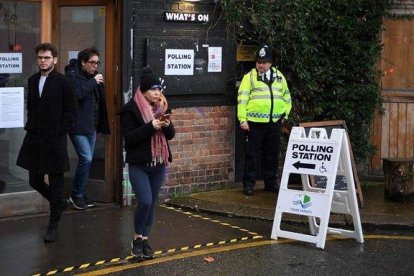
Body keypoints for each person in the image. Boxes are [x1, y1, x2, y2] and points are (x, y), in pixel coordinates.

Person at [16, 43, 77, 242]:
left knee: (57, 183)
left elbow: (71, 111)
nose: (43, 60)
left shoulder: (64, 82)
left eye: (47, 57)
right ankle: (59, 203)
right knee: (34, 180)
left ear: (55, 60)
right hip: (35, 138)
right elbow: (31, 107)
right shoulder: (32, 80)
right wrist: (31, 123)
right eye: (40, 57)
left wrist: (61, 129)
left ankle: (53, 226)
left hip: (55, 139)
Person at [120, 67, 175, 260]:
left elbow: (170, 136)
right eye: (153, 89)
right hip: (139, 164)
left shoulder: (162, 108)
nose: (157, 92)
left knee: (152, 204)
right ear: (144, 91)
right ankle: (136, 239)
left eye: (159, 89)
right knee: (144, 201)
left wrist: (167, 127)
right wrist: (150, 127)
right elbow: (130, 138)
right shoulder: (130, 110)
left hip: (158, 164)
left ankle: (144, 240)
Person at [237, 45, 292, 196]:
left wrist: (284, 116)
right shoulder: (249, 77)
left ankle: (271, 183)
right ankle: (248, 184)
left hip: (274, 123)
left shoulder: (279, 77)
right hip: (254, 123)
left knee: (272, 154)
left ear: (271, 63)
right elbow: (242, 99)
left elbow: (287, 97)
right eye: (259, 62)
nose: (261, 65)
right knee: (252, 155)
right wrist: (243, 120)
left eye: (264, 62)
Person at [65, 47, 110, 210]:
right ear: (83, 62)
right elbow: (76, 95)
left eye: (97, 63)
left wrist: (100, 124)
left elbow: (98, 102)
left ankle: (81, 194)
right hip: (77, 126)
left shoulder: (93, 77)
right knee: (87, 159)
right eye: (92, 63)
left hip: (91, 126)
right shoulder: (72, 76)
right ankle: (76, 195)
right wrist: (93, 82)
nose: (95, 66)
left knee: (87, 160)